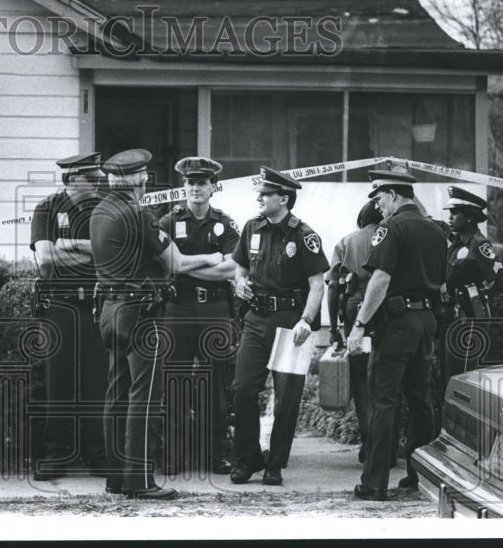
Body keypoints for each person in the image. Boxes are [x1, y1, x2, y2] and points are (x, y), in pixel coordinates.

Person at [90, 148, 225, 500]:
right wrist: (211, 257)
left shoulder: (100, 211)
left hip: (109, 310)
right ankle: (140, 481)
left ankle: (116, 478)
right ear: (140, 179)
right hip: (140, 314)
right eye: (144, 174)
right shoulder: (138, 215)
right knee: (144, 398)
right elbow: (175, 263)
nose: (147, 179)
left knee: (116, 395)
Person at [347, 169, 446, 501]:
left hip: (397, 324)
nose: (378, 207)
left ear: (391, 195)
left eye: (379, 199)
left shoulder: (392, 227)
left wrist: (359, 324)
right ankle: (421, 477)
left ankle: (374, 484)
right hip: (426, 322)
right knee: (421, 401)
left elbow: (380, 280)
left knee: (384, 400)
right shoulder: (436, 230)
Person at [229, 167, 328, 486]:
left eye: (266, 194)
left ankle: (275, 463)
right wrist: (239, 283)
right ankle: (247, 458)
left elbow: (317, 285)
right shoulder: (251, 227)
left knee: (287, 398)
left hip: (290, 322)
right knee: (243, 390)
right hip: (256, 319)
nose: (259, 197)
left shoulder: (304, 235)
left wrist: (306, 321)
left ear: (283, 199)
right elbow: (240, 267)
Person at [157, 157, 240, 476]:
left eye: (202, 183)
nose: (195, 188)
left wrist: (186, 268)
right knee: (175, 382)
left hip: (216, 311)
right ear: (183, 186)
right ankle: (175, 455)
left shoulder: (226, 223)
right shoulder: (168, 221)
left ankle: (215, 454)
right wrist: (208, 262)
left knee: (214, 386)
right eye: (190, 183)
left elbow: (233, 268)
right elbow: (167, 266)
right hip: (177, 310)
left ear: (213, 188)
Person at [29, 152, 108, 481]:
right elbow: (46, 261)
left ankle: (98, 454)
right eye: (92, 179)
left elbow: (112, 257)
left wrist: (68, 246)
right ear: (74, 179)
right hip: (58, 305)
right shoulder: (47, 208)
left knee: (97, 383)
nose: (99, 183)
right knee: (58, 383)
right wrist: (90, 249)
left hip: (94, 304)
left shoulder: (104, 210)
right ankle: (55, 454)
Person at [437, 187, 503, 406]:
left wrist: (478, 296)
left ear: (470, 217)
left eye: (455, 213)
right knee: (449, 375)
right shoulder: (457, 242)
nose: (450, 217)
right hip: (452, 316)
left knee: (463, 378)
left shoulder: (480, 244)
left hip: (469, 319)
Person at [326, 199, 380, 463]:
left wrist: (334, 330)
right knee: (387, 377)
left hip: (355, 308)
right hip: (387, 311)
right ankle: (387, 447)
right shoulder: (391, 236)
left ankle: (369, 444)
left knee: (361, 378)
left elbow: (334, 286)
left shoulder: (347, 241)